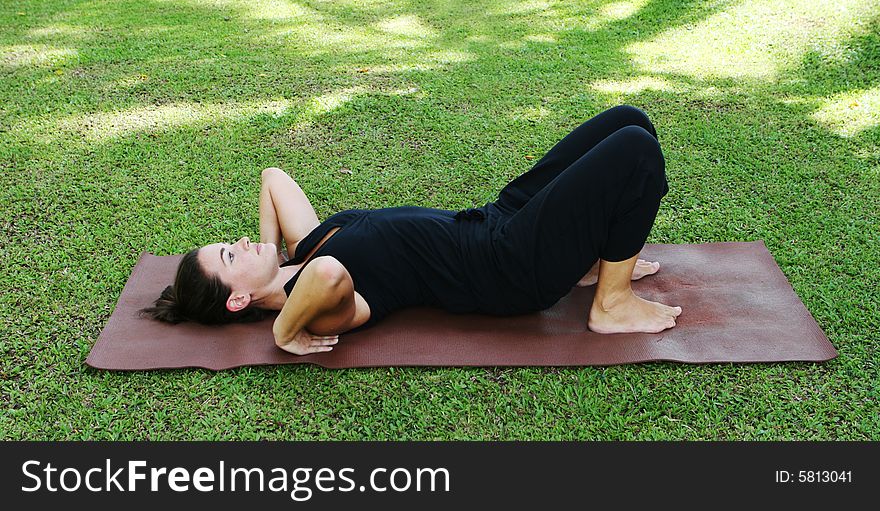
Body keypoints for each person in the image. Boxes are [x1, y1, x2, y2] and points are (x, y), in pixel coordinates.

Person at [141, 104, 682, 355]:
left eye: (229, 243)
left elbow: (273, 178)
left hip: (494, 219)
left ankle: (587, 260)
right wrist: (282, 331)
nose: (239, 244)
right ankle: (611, 303)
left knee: (626, 120)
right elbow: (328, 275)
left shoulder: (300, 253)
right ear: (238, 302)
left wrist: (268, 257)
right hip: (508, 266)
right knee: (635, 152)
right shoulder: (322, 304)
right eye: (230, 257)